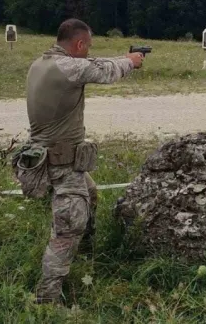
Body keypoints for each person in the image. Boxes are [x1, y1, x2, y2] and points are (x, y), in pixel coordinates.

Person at [23, 18, 144, 304]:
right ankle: (47, 300)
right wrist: (131, 62)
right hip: (61, 163)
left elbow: (92, 63)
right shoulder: (70, 68)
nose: (89, 51)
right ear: (78, 44)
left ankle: (85, 257)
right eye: (87, 46)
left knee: (90, 193)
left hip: (46, 158)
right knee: (67, 230)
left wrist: (122, 57)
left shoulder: (41, 63)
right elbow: (104, 71)